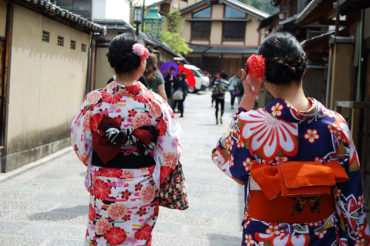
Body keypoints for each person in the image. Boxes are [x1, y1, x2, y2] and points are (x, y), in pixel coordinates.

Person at [211, 32, 369, 245]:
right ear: (304, 70)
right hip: (321, 237)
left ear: (263, 75)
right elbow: (351, 195)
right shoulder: (336, 125)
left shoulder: (249, 124)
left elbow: (227, 163)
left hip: (264, 237)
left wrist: (248, 98)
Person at [71, 33, 182, 246]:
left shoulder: (94, 101)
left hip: (104, 181)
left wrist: (99, 160)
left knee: (103, 235)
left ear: (112, 63)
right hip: (143, 185)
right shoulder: (156, 103)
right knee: (137, 238)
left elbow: (80, 143)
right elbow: (171, 148)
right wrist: (157, 173)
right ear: (142, 63)